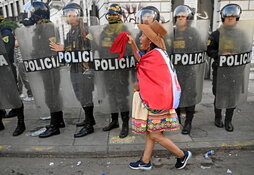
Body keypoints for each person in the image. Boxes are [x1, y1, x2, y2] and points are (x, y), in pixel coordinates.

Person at [127, 20, 191, 170]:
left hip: (158, 100)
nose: (140, 38)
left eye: (143, 36)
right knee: (152, 132)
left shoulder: (155, 55)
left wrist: (139, 86)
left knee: (155, 135)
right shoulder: (156, 53)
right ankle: (145, 161)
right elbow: (142, 61)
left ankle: (182, 155)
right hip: (159, 98)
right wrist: (132, 45)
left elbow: (143, 64)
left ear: (149, 41)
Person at [19, 1, 65, 138]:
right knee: (52, 93)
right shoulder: (42, 26)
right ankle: (59, 120)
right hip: (46, 66)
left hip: (50, 66)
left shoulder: (47, 27)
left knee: (51, 95)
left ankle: (54, 126)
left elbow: (45, 47)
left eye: (32, 14)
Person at [50, 3, 96, 138]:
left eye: (72, 15)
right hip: (74, 68)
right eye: (68, 15)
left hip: (84, 69)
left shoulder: (86, 31)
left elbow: (91, 46)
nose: (70, 18)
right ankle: (89, 118)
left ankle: (89, 126)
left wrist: (64, 49)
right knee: (80, 95)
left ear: (78, 15)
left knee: (85, 95)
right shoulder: (71, 31)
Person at [207, 4, 250, 132]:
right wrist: (219, 55)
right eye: (228, 17)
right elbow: (209, 50)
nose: (230, 19)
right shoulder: (216, 34)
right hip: (220, 71)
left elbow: (247, 50)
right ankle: (218, 117)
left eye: (233, 17)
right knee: (218, 94)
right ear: (223, 18)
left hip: (236, 72)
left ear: (237, 18)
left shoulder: (242, 34)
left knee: (232, 97)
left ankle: (228, 121)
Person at [167, 5, 204, 135]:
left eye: (182, 16)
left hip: (189, 72)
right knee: (176, 97)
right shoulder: (172, 33)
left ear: (188, 18)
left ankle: (188, 122)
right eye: (178, 17)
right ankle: (177, 120)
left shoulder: (194, 33)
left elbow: (200, 48)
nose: (180, 19)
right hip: (175, 73)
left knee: (190, 97)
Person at [99, 4, 130, 138]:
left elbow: (128, 50)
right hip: (108, 70)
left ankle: (125, 124)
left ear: (119, 15)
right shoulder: (105, 30)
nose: (111, 17)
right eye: (110, 14)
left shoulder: (124, 29)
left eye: (114, 14)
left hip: (120, 71)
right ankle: (114, 121)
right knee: (111, 96)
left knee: (121, 98)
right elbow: (99, 45)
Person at [0, 17, 26, 136]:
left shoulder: (5, 32)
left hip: (7, 71)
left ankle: (21, 123)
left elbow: (7, 50)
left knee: (14, 97)